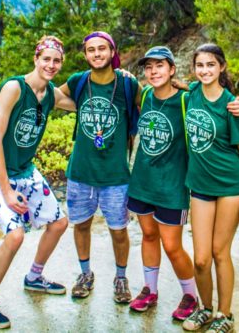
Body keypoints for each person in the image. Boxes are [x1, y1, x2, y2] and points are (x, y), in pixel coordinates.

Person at [127, 45, 239, 324]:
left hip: (189, 186)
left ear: (173, 69)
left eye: (160, 65)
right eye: (149, 67)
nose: (153, 71)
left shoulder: (190, 99)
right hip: (162, 184)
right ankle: (169, 295)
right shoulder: (154, 93)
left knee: (188, 248)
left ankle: (207, 304)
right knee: (166, 243)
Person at [0, 36, 75, 329]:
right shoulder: (14, 88)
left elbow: (84, 103)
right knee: (15, 235)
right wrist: (6, 191)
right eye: (47, 59)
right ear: (36, 59)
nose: (51, 65)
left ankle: (34, 277)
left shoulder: (51, 95)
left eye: (57, 61)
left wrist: (120, 81)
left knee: (58, 223)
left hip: (24, 168)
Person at [57, 31, 138, 304]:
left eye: (102, 49)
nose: (97, 54)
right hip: (81, 172)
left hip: (115, 174)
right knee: (81, 225)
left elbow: (154, 102)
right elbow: (53, 97)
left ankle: (121, 277)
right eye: (91, 50)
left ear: (112, 51)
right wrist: (76, 107)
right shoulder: (78, 81)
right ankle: (85, 274)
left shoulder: (128, 84)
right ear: (85, 54)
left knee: (118, 230)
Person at [182, 43, 239, 333]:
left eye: (211, 65)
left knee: (219, 252)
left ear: (221, 67)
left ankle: (225, 315)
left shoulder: (232, 106)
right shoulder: (191, 93)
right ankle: (206, 309)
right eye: (200, 65)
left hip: (229, 187)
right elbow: (168, 82)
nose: (205, 70)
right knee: (200, 259)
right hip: (200, 186)